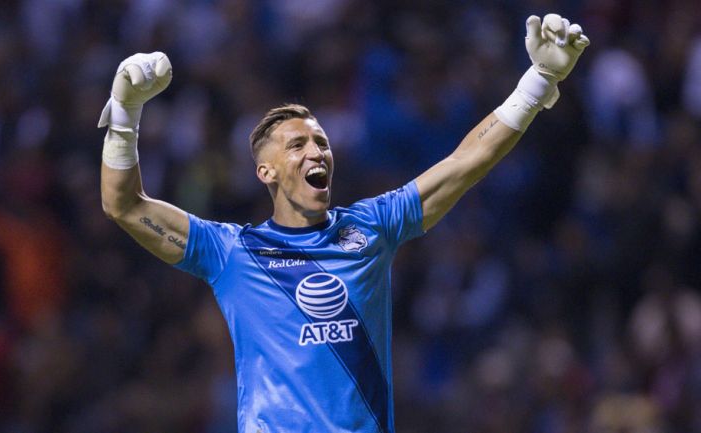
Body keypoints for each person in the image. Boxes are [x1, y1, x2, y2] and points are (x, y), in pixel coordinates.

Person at [97, 13, 589, 433]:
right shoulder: (231, 252)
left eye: (321, 142)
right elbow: (126, 206)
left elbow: (467, 161)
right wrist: (126, 113)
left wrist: (537, 83)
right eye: (297, 145)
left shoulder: (373, 226)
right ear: (265, 172)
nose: (316, 151)